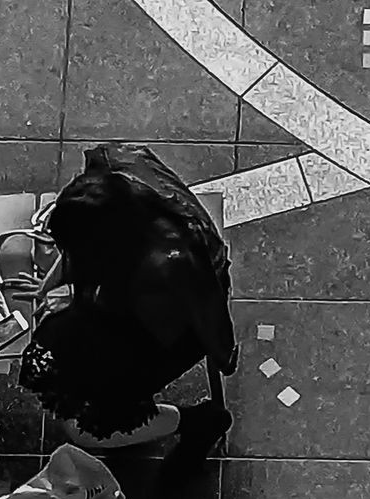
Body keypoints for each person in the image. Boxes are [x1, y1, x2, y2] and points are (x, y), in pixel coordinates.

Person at [17, 142, 237, 454]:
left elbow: (135, 319)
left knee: (86, 423)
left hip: (177, 327)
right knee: (65, 360)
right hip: (152, 302)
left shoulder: (165, 267)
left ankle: (196, 421)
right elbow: (86, 245)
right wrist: (47, 286)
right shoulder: (117, 188)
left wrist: (70, 304)